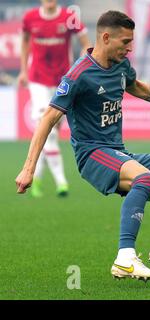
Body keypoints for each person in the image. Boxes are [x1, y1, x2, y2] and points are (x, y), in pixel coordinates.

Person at [16, 10, 150, 284]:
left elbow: (136, 86)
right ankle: (125, 258)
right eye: (125, 42)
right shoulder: (79, 74)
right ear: (106, 37)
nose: (130, 48)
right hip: (92, 155)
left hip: (118, 152)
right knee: (143, 178)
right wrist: (28, 169)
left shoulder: (120, 65)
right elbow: (48, 118)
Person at [18, 0, 92, 198]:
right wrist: (23, 70)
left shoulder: (69, 17)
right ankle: (61, 181)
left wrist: (81, 69)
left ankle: (36, 178)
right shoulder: (30, 17)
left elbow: (87, 45)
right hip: (37, 79)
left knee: (50, 133)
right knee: (47, 129)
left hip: (62, 80)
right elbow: (24, 42)